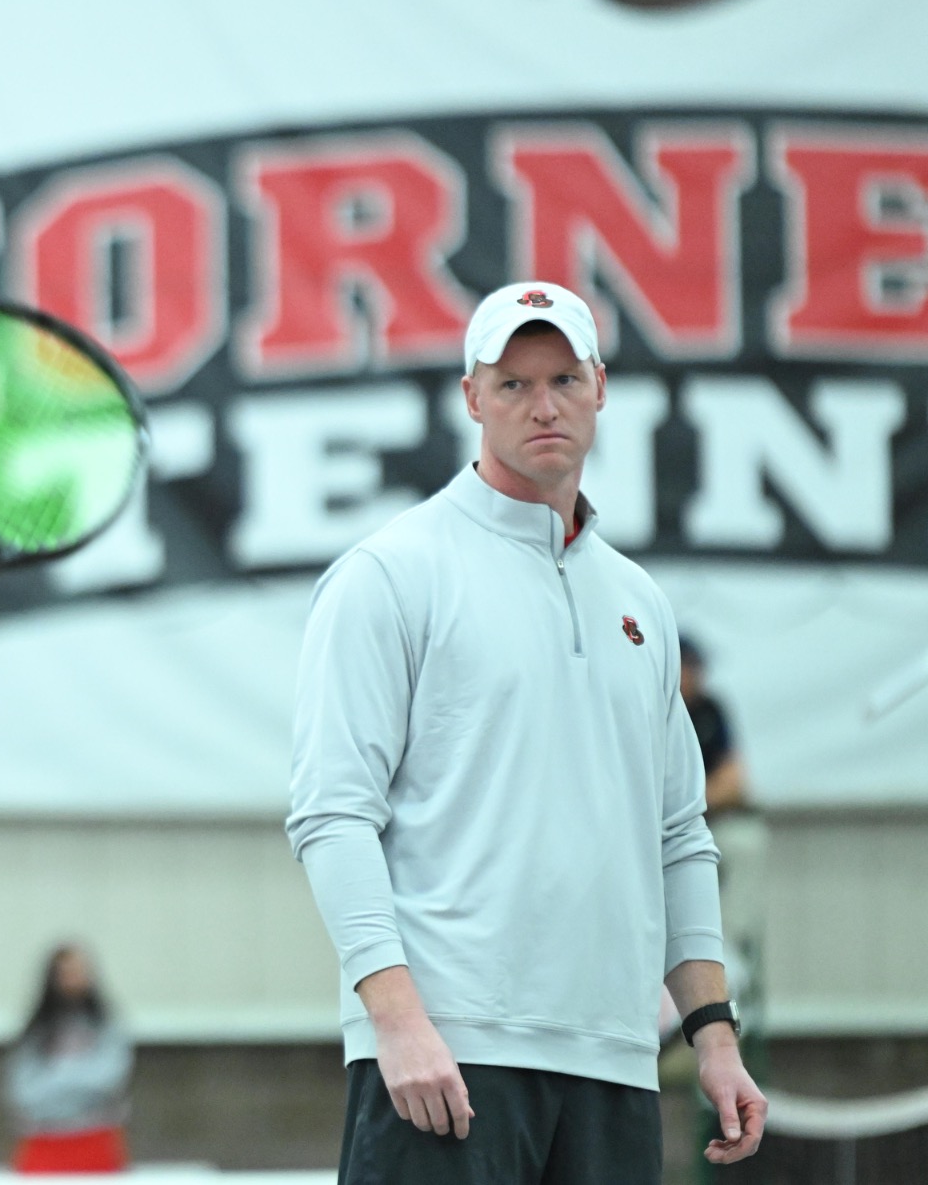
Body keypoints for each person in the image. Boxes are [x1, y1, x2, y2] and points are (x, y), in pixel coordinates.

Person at [287, 280, 767, 1184]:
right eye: (512, 384)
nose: (542, 406)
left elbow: (679, 835)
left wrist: (713, 1035)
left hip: (615, 1062)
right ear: (472, 398)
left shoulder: (640, 604)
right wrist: (397, 1019)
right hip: (444, 1059)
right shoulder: (391, 575)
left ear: (600, 389)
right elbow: (331, 814)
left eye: (562, 379)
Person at [2, 944, 133, 1174]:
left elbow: (110, 1077)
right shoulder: (35, 1029)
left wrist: (56, 1077)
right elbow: (22, 1090)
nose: (72, 979)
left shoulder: (105, 1025)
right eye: (65, 972)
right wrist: (73, 1080)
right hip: (43, 1142)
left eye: (79, 971)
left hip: (95, 1139)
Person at [679, 637, 750, 816]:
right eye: (689, 666)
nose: (695, 674)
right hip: (656, 814)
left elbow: (731, 772)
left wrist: (696, 802)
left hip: (703, 808)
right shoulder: (651, 712)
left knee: (738, 838)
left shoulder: (710, 710)